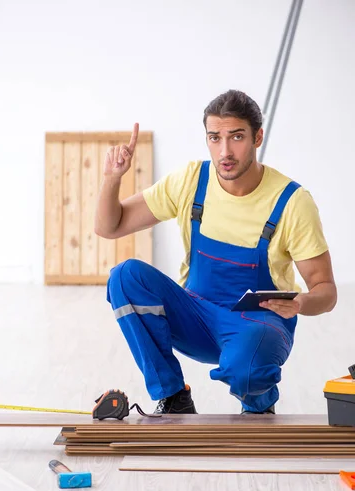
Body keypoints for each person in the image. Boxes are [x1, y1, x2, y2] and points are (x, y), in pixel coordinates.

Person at [95, 90, 337, 415]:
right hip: (196, 317)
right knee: (124, 277)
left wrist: (301, 302)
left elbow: (327, 291)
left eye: (237, 137)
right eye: (215, 138)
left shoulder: (292, 201)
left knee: (246, 365)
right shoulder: (192, 182)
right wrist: (112, 179)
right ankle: (173, 396)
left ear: (257, 137)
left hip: (259, 326)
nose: (225, 151)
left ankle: (259, 404)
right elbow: (110, 226)